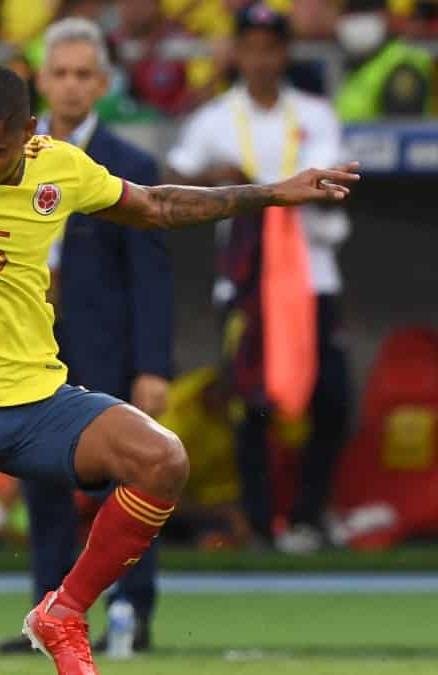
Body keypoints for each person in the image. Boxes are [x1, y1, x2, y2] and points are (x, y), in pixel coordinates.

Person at [0, 63, 359, 675]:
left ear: (27, 132)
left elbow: (157, 205)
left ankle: (64, 611)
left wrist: (273, 192)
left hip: (38, 403)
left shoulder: (60, 166)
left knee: (163, 460)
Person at [0, 17, 173, 656]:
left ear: (101, 83)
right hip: (27, 347)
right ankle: (46, 612)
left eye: (82, 75)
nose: (70, 86)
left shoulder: (129, 165)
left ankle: (133, 613)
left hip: (106, 348)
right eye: (59, 73)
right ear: (39, 80)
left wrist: (154, 364)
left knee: (125, 480)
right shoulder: (7, 159)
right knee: (41, 484)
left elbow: (152, 278)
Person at [166, 4, 353, 554]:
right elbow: (174, 177)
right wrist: (214, 180)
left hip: (312, 274)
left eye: (271, 47)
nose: (261, 58)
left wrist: (257, 187)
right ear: (237, 53)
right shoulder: (216, 118)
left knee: (331, 395)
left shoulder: (316, 114)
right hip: (246, 281)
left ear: (284, 53)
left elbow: (332, 179)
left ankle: (307, 515)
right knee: (251, 402)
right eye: (250, 46)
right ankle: (255, 520)